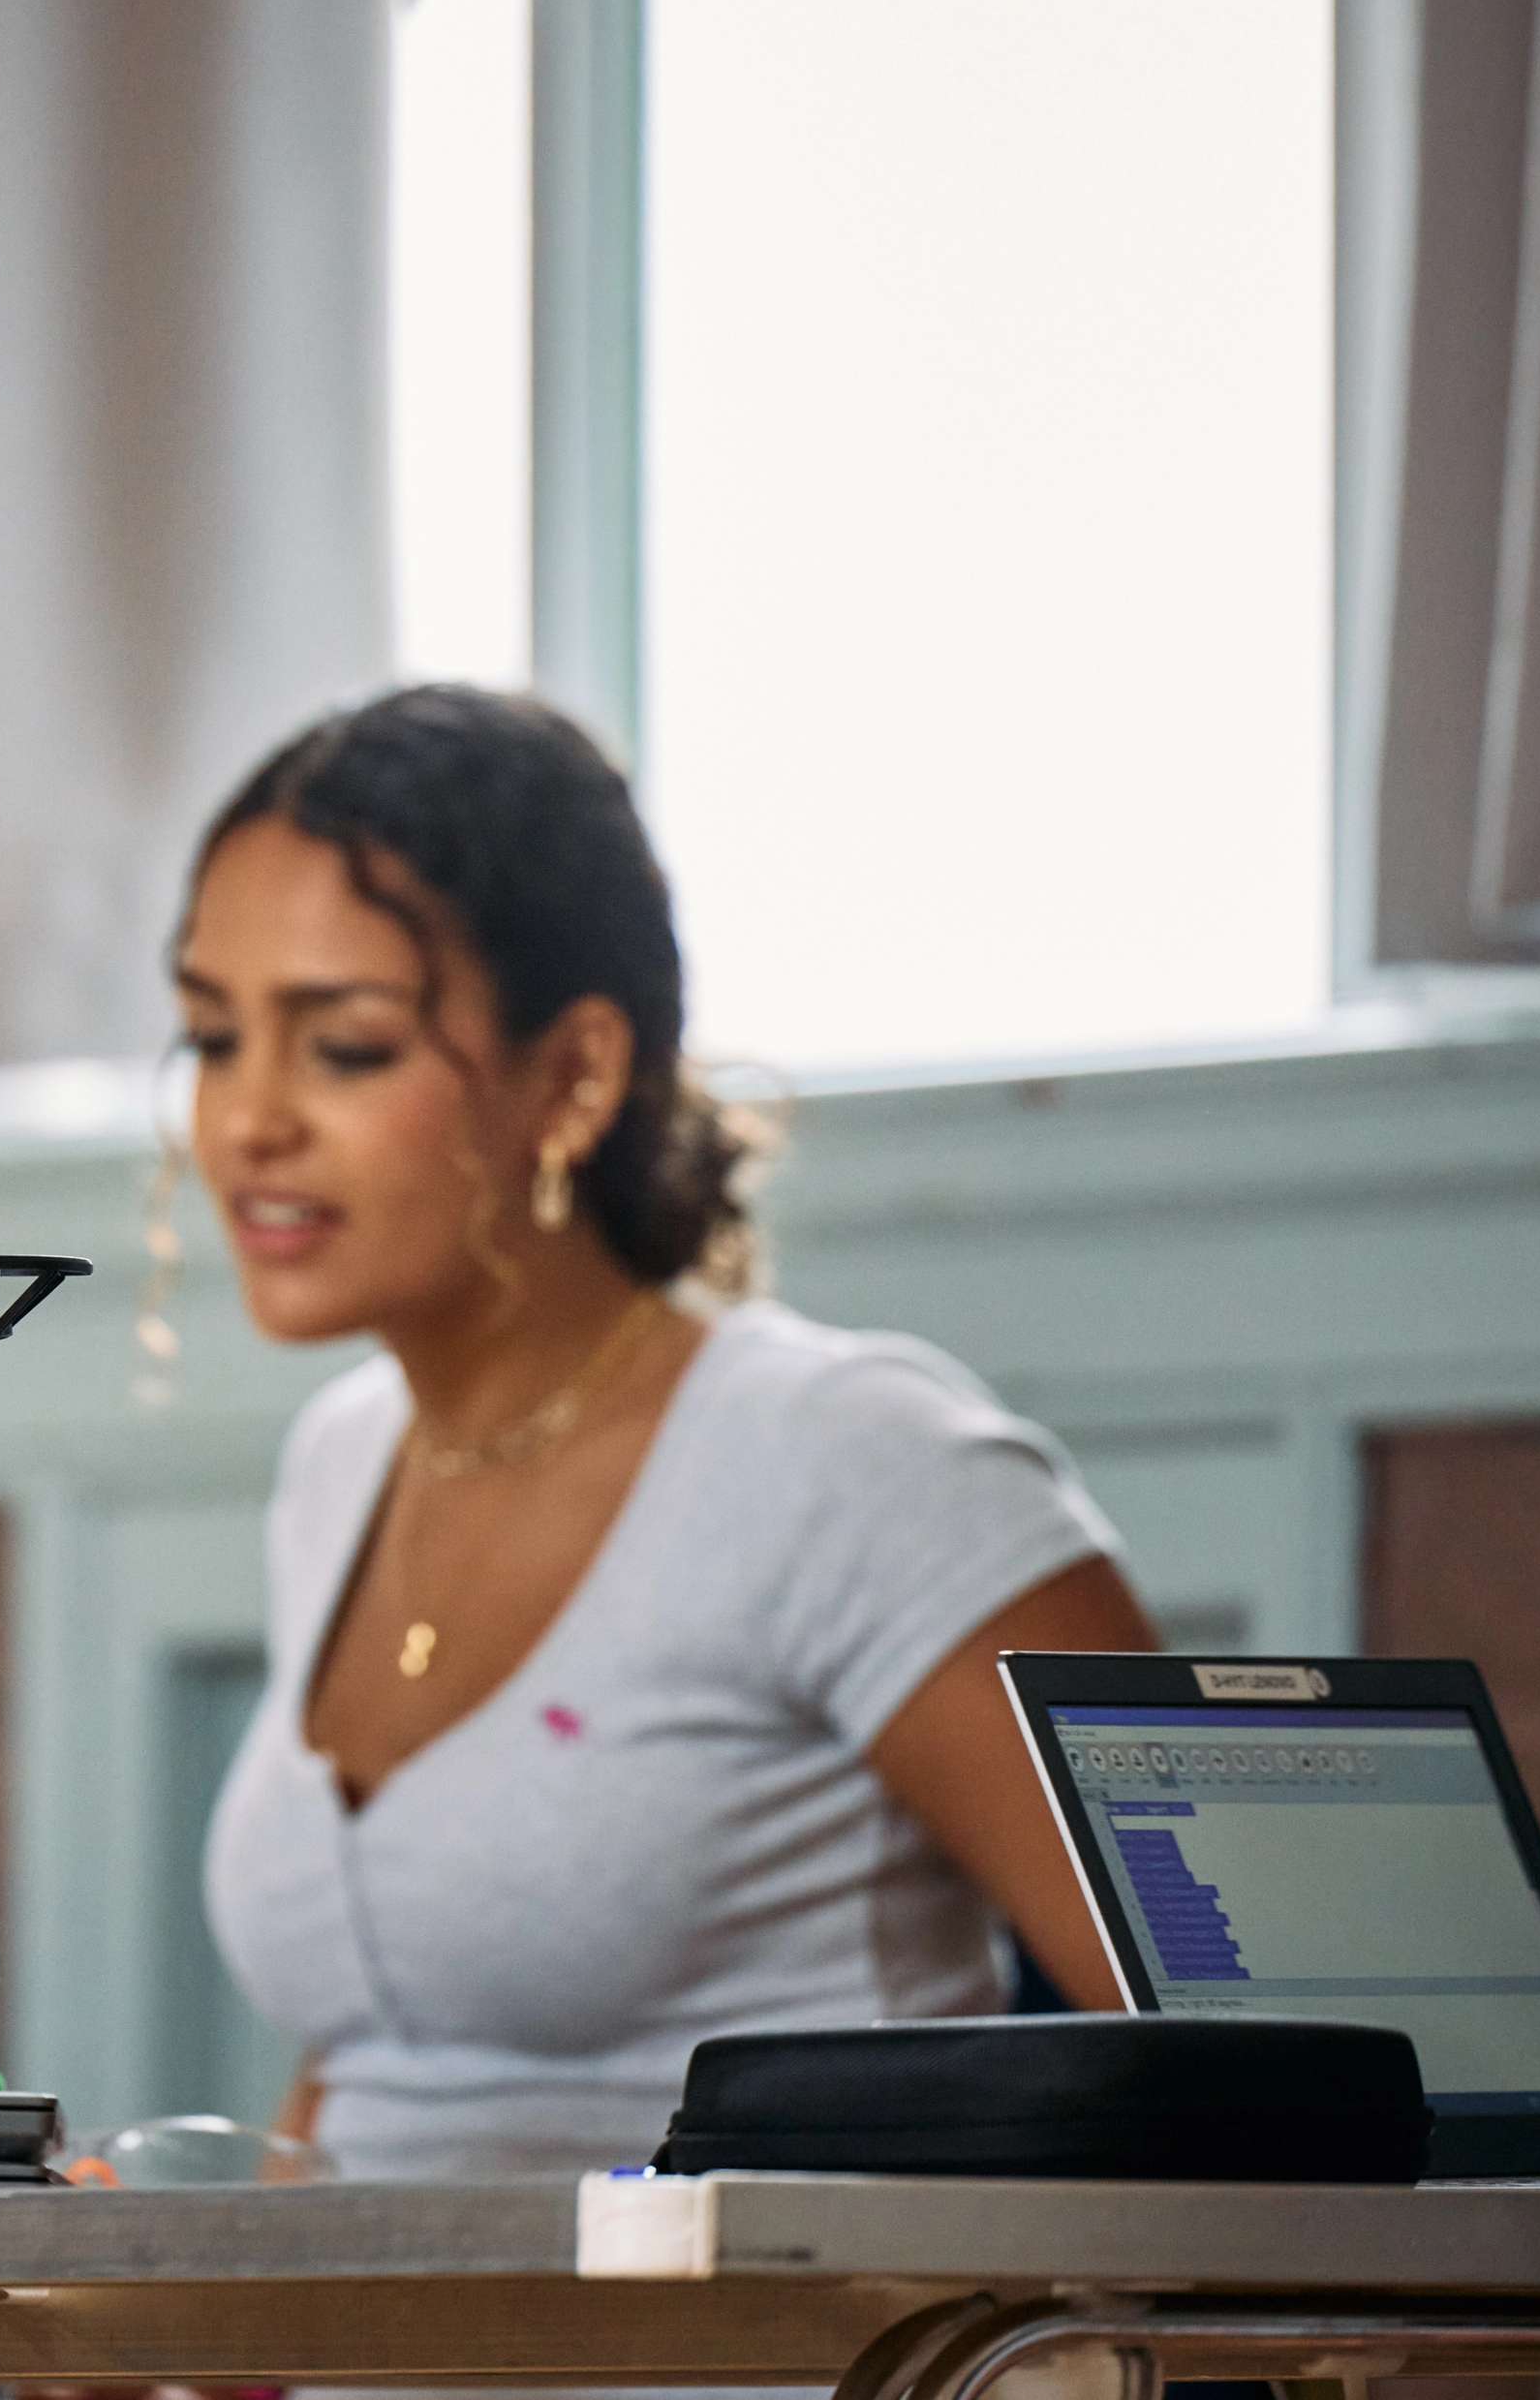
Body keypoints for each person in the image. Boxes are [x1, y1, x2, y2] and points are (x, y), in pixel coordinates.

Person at [183, 685, 1155, 2186]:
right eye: (210, 1034)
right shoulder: (341, 1462)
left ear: (573, 1074)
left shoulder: (854, 1461)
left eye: (348, 1047)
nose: (246, 1122)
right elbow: (398, 2072)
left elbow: (1282, 2090)